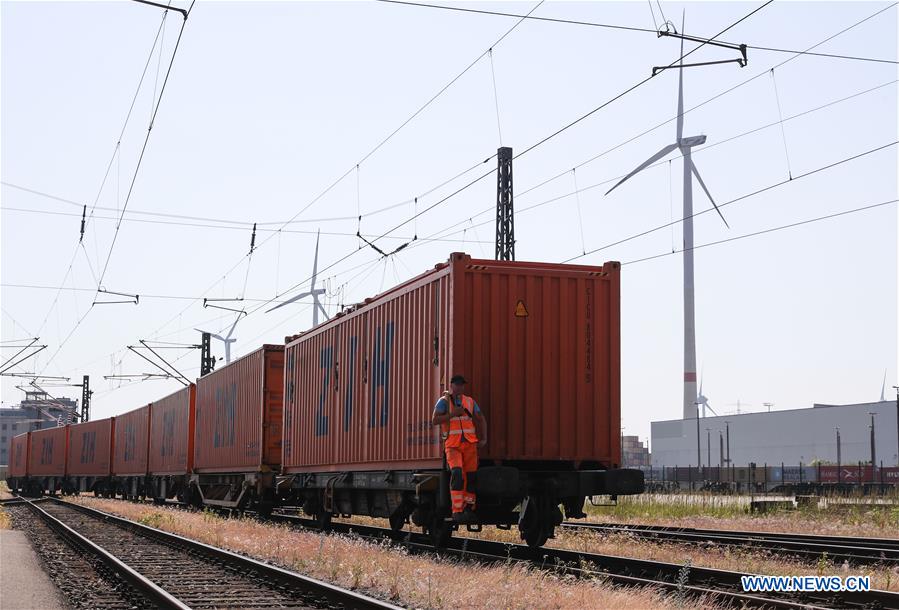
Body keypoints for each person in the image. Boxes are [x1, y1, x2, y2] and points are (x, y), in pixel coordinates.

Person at [431, 374, 487, 523]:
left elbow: (481, 418)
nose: (460, 387)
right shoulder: (443, 402)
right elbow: (434, 420)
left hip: (470, 444)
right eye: (457, 384)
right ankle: (457, 510)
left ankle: (469, 508)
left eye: (462, 384)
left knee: (471, 477)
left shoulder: (469, 401)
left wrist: (484, 439)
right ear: (451, 386)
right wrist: (452, 414)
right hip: (453, 445)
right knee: (457, 474)